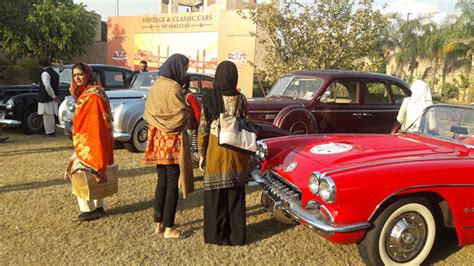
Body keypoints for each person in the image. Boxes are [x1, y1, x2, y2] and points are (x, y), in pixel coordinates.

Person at [198, 61, 251, 246]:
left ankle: (215, 236)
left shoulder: (209, 97)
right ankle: (236, 237)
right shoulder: (241, 98)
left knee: (215, 196)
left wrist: (202, 152)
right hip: (236, 151)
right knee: (235, 196)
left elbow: (203, 127)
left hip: (215, 150)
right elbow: (246, 123)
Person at [143, 54, 194, 239]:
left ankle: (159, 222)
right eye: (185, 68)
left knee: (161, 180)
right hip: (172, 141)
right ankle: (169, 228)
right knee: (172, 183)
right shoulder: (174, 87)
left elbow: (148, 111)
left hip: (158, 140)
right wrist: (187, 116)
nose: (185, 72)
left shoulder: (156, 85)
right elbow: (180, 116)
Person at [64, 63, 114, 221]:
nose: (77, 78)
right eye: (74, 75)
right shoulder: (97, 91)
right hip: (98, 138)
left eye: (80, 74)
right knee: (96, 172)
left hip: (90, 140)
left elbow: (93, 121)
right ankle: (99, 207)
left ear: (88, 74)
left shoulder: (91, 95)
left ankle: (88, 209)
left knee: (78, 172)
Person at [38, 58, 60, 136]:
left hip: (47, 97)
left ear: (41, 65)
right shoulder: (55, 72)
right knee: (50, 115)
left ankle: (50, 132)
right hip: (52, 96)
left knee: (47, 114)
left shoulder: (45, 73)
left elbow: (47, 86)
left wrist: (53, 96)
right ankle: (50, 131)